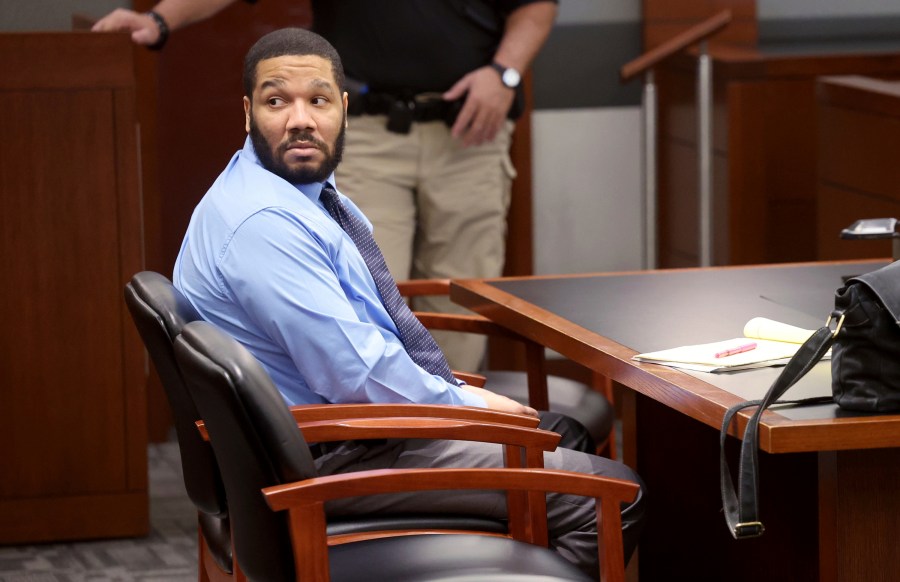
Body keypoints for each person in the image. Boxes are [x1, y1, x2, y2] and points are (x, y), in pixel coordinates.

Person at [172, 27, 645, 578]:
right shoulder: (264, 224)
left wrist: (454, 397)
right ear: (249, 112)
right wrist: (463, 406)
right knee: (614, 495)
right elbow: (353, 372)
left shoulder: (292, 195)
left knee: (561, 432)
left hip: (323, 438)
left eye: (318, 100)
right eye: (277, 101)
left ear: (344, 110)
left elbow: (358, 342)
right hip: (336, 457)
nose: (300, 118)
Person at [93, 0, 557, 372]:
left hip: (470, 136)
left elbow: (536, 5)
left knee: (462, 300)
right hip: (369, 134)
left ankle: (450, 438)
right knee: (362, 298)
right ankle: (386, 450)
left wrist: (506, 74)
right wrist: (158, 20)